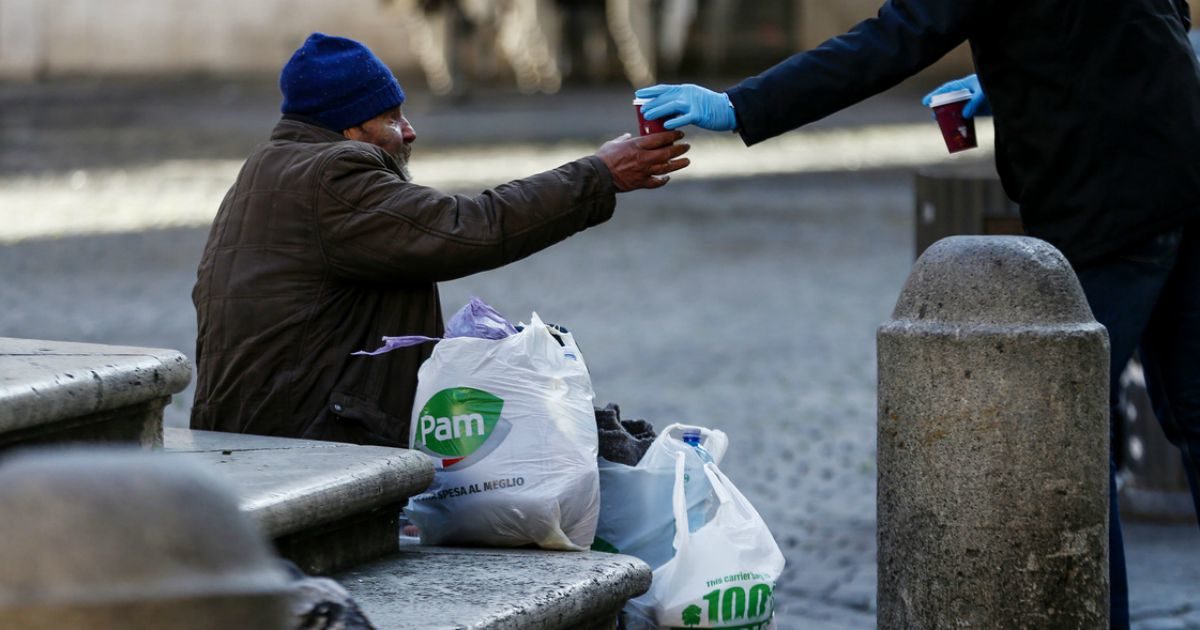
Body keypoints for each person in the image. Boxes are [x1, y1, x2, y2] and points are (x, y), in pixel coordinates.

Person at [633, 1, 1200, 627]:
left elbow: (891, 41)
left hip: (1106, 200)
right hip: (1185, 158)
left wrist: (740, 105)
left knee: (1071, 439)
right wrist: (1023, 67)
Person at [190, 32, 689, 449]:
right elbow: (466, 227)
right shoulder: (331, 175)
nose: (409, 132)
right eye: (391, 118)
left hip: (264, 427)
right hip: (306, 437)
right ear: (349, 128)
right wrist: (598, 174)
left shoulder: (267, 168)